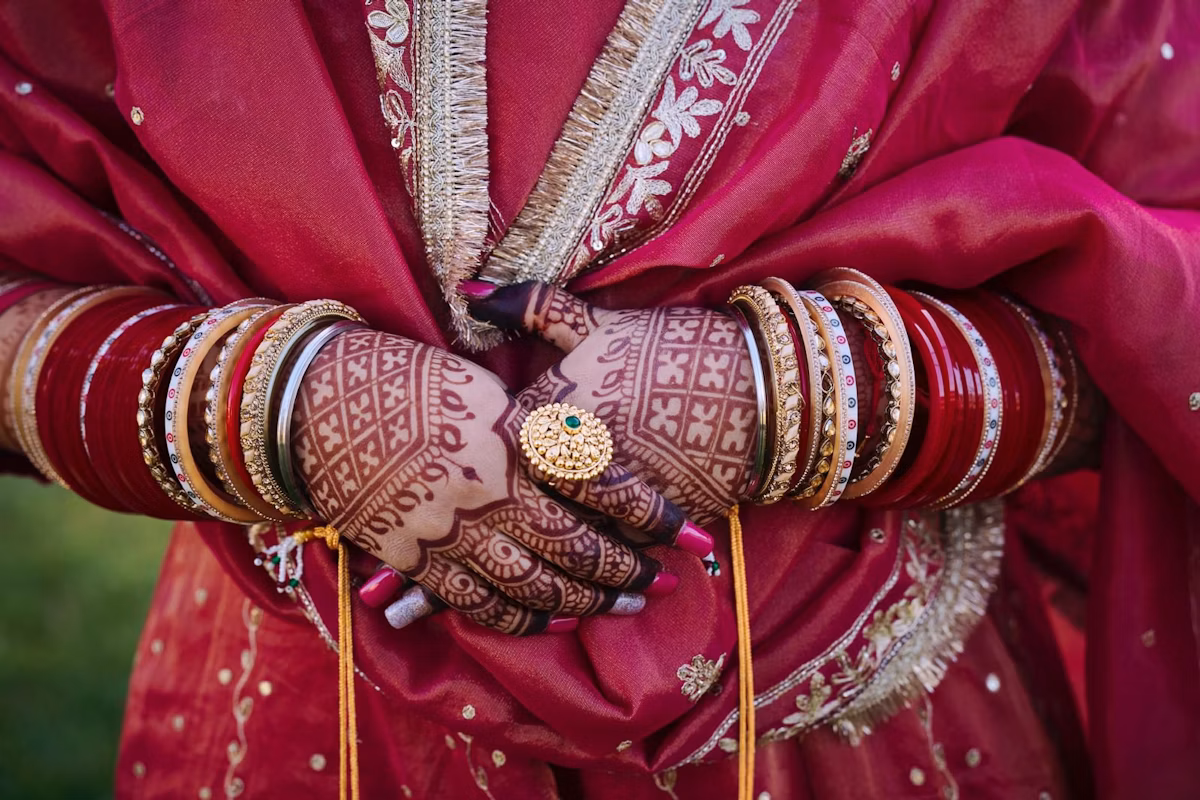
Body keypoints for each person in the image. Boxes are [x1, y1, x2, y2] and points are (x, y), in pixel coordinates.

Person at [0, 1, 1197, 798]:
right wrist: (278, 410)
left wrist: (810, 390)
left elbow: (1163, 290)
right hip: (323, 706)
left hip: (847, 707)